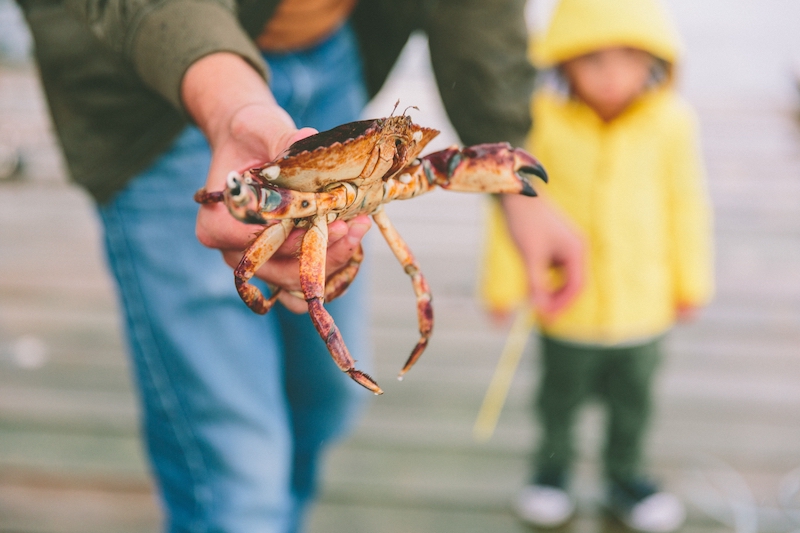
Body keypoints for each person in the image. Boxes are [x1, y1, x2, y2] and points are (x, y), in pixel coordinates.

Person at [15, 0, 583, 531]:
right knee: (237, 471)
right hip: (148, 94)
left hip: (335, 59)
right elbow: (244, 204)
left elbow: (438, 166)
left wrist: (508, 174)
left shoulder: (388, 147)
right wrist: (234, 111)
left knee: (326, 403)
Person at [481, 0, 714, 531]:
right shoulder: (538, 123)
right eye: (594, 60)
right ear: (562, 60)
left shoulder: (673, 122)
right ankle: (552, 474)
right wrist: (503, 284)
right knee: (558, 401)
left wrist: (691, 281)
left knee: (633, 404)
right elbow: (511, 207)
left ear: (656, 59)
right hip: (566, 307)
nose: (612, 76)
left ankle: (625, 477)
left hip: (643, 305)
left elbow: (688, 205)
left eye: (630, 58)